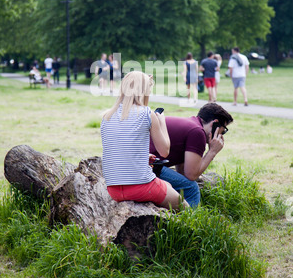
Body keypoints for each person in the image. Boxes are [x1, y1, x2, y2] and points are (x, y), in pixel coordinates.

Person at [100, 71, 188, 210]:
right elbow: (164, 151)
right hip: (141, 185)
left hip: (113, 189)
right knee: (184, 206)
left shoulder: (107, 116)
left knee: (167, 186)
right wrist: (162, 121)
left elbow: (116, 149)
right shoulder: (146, 113)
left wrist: (141, 157)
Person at [150, 103, 233, 207]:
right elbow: (191, 175)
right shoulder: (197, 132)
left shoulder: (191, 125)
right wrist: (212, 152)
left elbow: (183, 172)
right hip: (149, 165)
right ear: (215, 124)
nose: (221, 134)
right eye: (223, 130)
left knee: (185, 183)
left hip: (142, 162)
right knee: (191, 188)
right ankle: (187, 221)